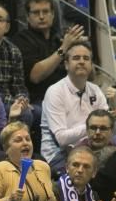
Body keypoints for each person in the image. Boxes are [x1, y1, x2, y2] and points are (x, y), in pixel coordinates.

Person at [41, 42, 111, 170]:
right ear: (66, 64)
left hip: (92, 149)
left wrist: (113, 117)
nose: (82, 62)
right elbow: (61, 138)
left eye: (86, 58)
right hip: (59, 154)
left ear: (91, 65)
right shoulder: (55, 91)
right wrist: (93, 127)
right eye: (76, 58)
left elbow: (108, 129)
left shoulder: (95, 90)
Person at [13, 0, 87, 108]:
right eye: (36, 12)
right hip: (40, 100)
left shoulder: (60, 38)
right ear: (28, 17)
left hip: (68, 96)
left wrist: (79, 51)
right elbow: (35, 76)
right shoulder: (21, 40)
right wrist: (64, 48)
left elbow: (89, 75)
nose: (41, 16)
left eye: (46, 11)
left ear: (53, 15)